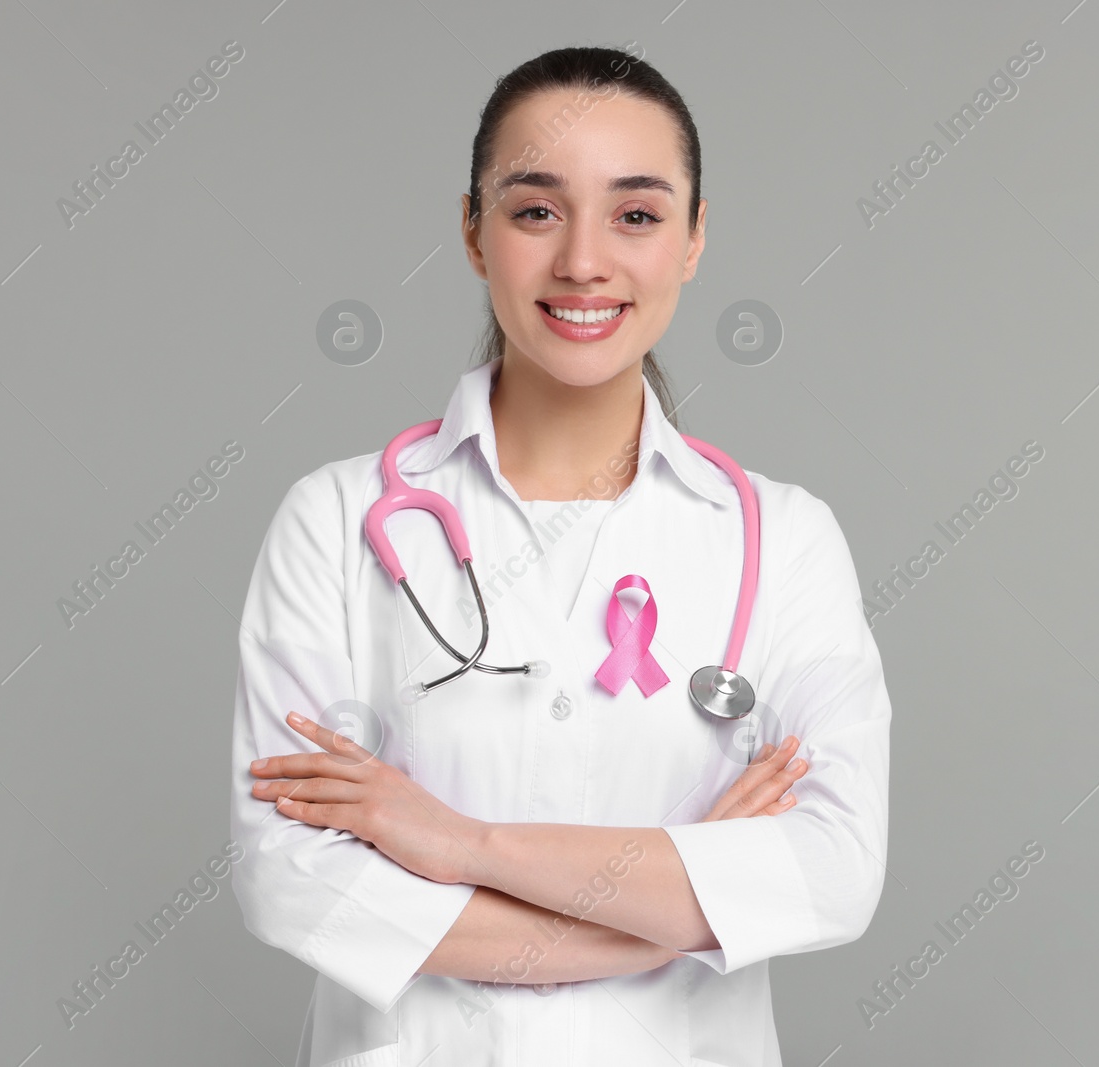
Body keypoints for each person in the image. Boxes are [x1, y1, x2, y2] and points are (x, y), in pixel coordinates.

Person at [228, 45, 891, 1067]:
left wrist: (457, 843)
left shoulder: (785, 538)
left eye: (636, 214)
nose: (584, 261)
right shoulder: (334, 520)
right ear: (472, 231)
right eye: (536, 210)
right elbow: (291, 878)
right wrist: (679, 896)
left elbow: (830, 871)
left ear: (694, 238)